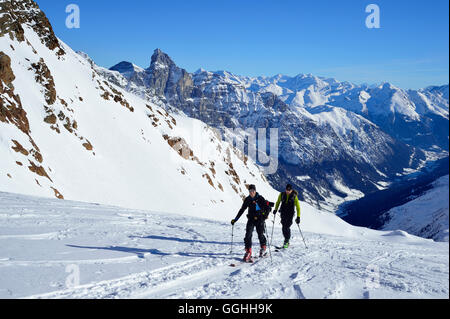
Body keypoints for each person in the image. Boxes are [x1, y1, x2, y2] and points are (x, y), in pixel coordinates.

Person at [231, 184, 270, 262]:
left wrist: (265, 215)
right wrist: (235, 219)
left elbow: (267, 208)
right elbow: (242, 209)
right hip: (251, 219)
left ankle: (263, 247)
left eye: (252, 191)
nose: (251, 192)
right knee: (248, 234)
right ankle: (248, 251)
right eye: (250, 191)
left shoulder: (260, 198)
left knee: (260, 234)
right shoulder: (247, 199)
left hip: (259, 219)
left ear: (255, 191)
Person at [273, 184, 301, 249]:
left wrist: (298, 217)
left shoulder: (294, 196)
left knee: (287, 227)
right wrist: (275, 209)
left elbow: (298, 207)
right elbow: (278, 202)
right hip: (283, 213)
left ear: (291, 190)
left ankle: (286, 241)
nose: (288, 191)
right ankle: (286, 240)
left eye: (289, 190)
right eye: (287, 190)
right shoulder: (282, 194)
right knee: (283, 228)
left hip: (290, 214)